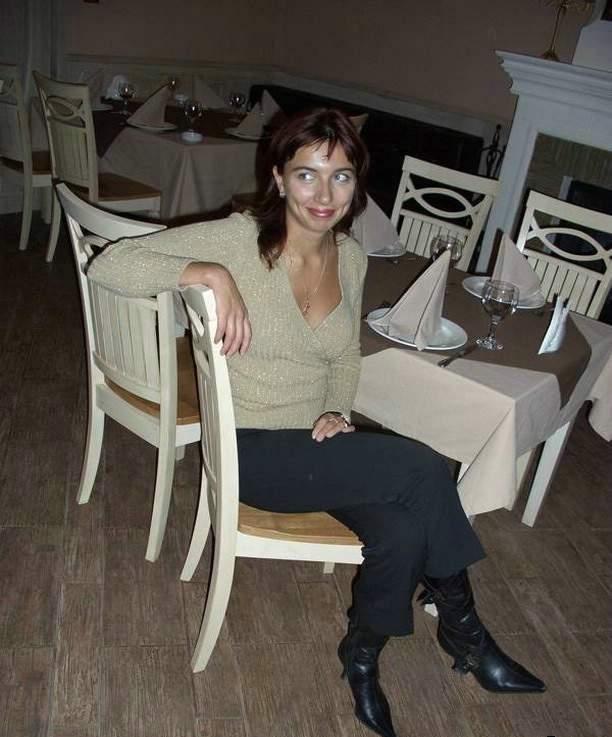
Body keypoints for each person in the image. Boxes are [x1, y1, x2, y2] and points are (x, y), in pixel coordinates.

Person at [88, 108, 545, 737]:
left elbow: (345, 357)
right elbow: (109, 265)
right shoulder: (236, 240)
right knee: (424, 469)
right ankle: (469, 638)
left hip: (318, 446)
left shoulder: (351, 258)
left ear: (357, 185)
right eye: (307, 174)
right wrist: (205, 272)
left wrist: (337, 409)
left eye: (341, 176)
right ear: (278, 178)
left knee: (404, 530)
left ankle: (361, 657)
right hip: (251, 448)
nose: (324, 194)